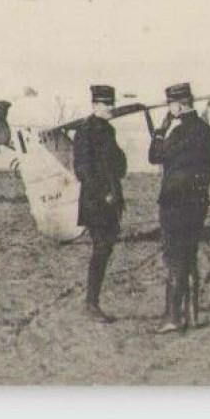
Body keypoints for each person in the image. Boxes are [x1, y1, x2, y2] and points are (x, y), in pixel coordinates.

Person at [148, 81, 210, 333]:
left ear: (176, 105)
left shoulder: (177, 133)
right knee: (190, 256)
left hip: (175, 203)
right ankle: (193, 313)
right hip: (197, 203)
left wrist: (159, 131)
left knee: (175, 258)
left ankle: (173, 316)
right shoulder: (207, 131)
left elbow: (154, 155)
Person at [72, 84, 128, 323]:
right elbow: (82, 169)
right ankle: (91, 303)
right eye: (106, 104)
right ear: (95, 106)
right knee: (102, 247)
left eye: (112, 103)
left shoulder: (107, 130)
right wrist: (103, 192)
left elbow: (118, 164)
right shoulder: (85, 131)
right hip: (96, 201)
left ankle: (92, 302)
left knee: (105, 247)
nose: (111, 108)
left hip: (110, 199)